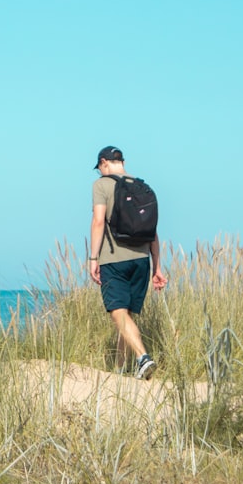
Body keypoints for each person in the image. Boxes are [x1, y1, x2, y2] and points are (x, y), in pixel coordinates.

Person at [89, 146, 168, 380]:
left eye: (100, 168)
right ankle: (120, 370)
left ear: (104, 162)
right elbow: (153, 231)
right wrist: (157, 267)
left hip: (114, 259)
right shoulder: (143, 187)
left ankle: (143, 358)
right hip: (142, 261)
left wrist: (93, 258)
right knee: (126, 317)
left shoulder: (102, 185)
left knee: (117, 313)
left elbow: (98, 222)